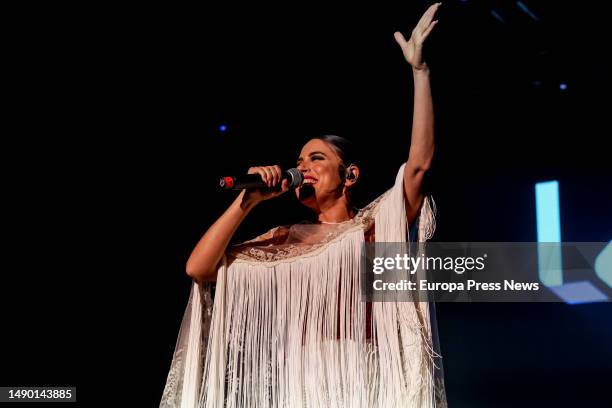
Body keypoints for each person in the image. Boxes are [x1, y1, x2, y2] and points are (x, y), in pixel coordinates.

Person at [161, 3, 446, 407]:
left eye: (316, 159)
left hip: (363, 379)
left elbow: (418, 167)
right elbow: (199, 268)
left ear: (350, 176)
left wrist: (420, 73)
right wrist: (248, 200)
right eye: (298, 162)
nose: (302, 168)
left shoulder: (373, 227)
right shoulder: (285, 239)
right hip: (301, 384)